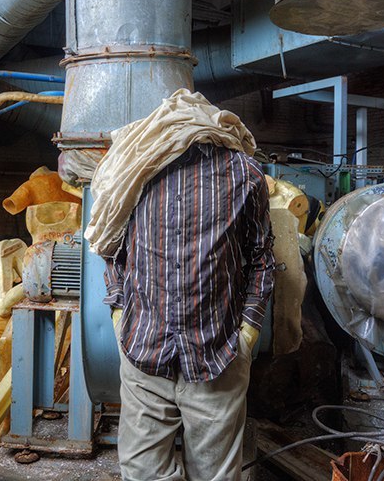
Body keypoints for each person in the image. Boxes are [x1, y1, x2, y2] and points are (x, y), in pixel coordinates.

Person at [87, 89, 275, 481]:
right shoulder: (137, 167)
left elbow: (261, 257)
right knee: (141, 472)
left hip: (216, 355)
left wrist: (247, 332)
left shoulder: (243, 174)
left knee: (215, 476)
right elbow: (111, 245)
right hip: (144, 352)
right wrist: (121, 310)